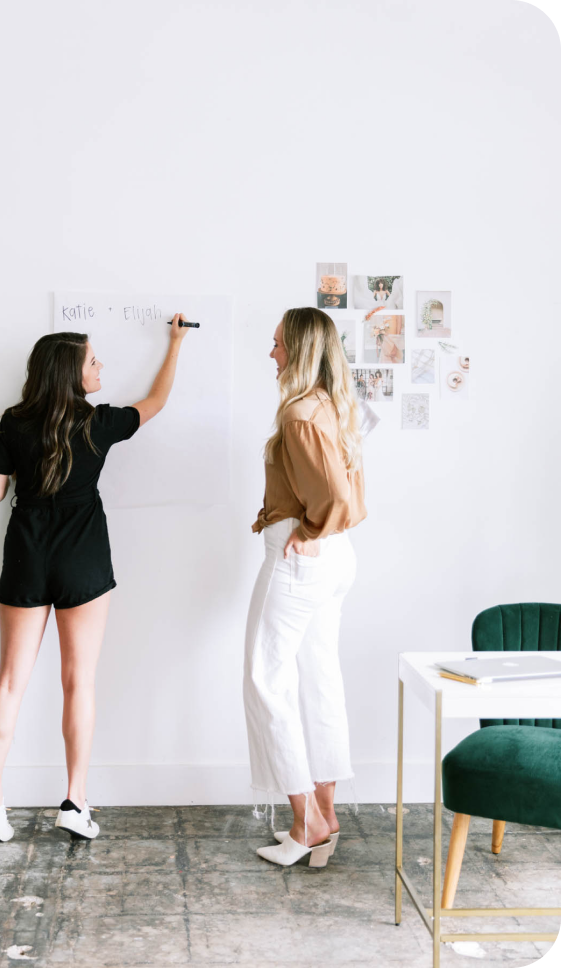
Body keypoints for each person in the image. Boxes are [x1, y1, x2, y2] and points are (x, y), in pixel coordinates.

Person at [0, 318, 190, 842]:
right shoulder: (99, 422)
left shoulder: (13, 421)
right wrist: (176, 343)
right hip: (83, 559)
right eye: (93, 361)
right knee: (78, 681)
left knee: (9, 679)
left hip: (26, 553)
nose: (100, 367)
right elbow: (156, 401)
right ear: (70, 372)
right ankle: (74, 801)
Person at [244, 307, 367, 868]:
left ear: (298, 349)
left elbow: (336, 499)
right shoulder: (334, 405)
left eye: (276, 345)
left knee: (265, 681)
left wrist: (310, 530)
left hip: (299, 561)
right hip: (335, 562)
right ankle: (326, 811)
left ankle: (307, 821)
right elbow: (352, 499)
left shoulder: (297, 413)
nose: (270, 354)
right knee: (319, 679)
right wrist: (322, 531)